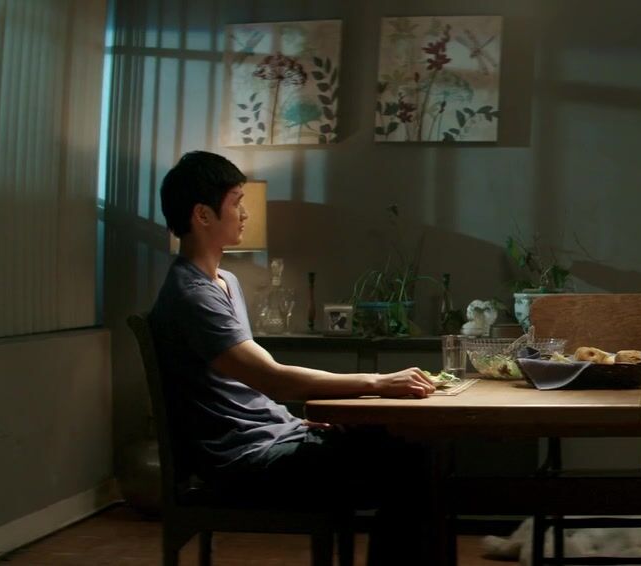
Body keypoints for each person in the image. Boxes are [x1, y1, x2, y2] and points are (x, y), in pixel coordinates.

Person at [147, 151, 436, 564]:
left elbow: (245, 390)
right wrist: (379, 382)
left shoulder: (225, 281)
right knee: (407, 462)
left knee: (408, 447)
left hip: (272, 439)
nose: (245, 213)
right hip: (243, 462)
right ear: (203, 215)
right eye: (236, 202)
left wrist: (293, 423)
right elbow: (273, 379)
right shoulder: (192, 296)